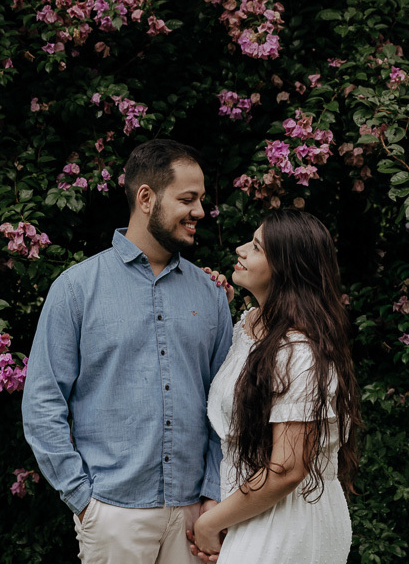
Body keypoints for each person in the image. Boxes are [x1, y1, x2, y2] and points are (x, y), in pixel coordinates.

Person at [22, 139, 234, 564]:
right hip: (112, 514)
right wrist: (84, 501)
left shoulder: (211, 294)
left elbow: (225, 403)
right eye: (187, 199)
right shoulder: (76, 289)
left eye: (200, 200)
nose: (199, 211)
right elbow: (42, 401)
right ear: (146, 198)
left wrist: (213, 493)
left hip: (194, 516)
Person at [189, 209, 361, 563]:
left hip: (288, 520)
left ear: (285, 268)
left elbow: (286, 470)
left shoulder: (300, 351)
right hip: (254, 509)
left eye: (256, 247)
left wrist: (210, 524)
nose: (240, 249)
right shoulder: (251, 324)